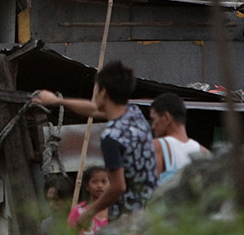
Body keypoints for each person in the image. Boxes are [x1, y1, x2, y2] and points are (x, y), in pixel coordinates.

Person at [34, 60, 157, 227]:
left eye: (96, 89)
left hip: (127, 222)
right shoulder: (135, 115)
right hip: (149, 215)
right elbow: (93, 109)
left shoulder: (111, 136)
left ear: (103, 92)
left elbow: (118, 186)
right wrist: (57, 101)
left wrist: (89, 213)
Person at [150, 92, 209, 183]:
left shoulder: (158, 146)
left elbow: (149, 188)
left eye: (154, 119)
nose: (153, 126)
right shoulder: (204, 152)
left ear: (166, 117)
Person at [67, 166, 109, 234]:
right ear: (87, 186)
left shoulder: (115, 210)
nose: (100, 185)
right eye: (94, 182)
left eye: (104, 182)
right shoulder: (78, 211)